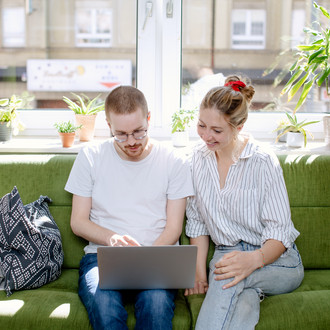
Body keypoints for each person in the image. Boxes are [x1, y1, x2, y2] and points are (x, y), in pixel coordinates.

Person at [65, 85, 194, 330]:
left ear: (149, 119)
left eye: (138, 132)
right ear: (108, 124)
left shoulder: (174, 161)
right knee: (104, 305)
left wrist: (143, 261)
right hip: (101, 258)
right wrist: (111, 238)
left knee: (156, 304)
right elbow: (78, 222)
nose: (132, 142)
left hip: (157, 258)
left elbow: (174, 228)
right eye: (121, 134)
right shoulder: (90, 157)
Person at [184, 75, 304, 329]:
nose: (206, 136)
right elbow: (196, 222)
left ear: (239, 126)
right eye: (201, 125)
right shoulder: (196, 160)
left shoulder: (262, 161)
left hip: (277, 261)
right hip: (227, 254)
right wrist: (197, 271)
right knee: (243, 299)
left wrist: (253, 259)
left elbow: (280, 233)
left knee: (229, 276)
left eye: (217, 130)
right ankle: (248, 286)